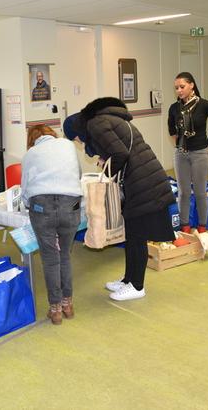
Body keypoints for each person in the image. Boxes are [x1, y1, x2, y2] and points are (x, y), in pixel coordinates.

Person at [63, 97, 175, 301]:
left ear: (77, 130)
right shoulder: (108, 118)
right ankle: (128, 280)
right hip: (142, 180)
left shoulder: (95, 123)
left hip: (143, 183)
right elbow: (121, 151)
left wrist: (108, 166)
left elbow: (120, 154)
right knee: (132, 235)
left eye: (76, 139)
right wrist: (108, 160)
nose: (79, 143)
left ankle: (137, 286)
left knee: (137, 237)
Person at [20, 124, 82, 324]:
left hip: (42, 207)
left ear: (32, 139)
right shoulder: (67, 145)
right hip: (70, 204)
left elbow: (26, 186)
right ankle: (68, 305)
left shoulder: (31, 154)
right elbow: (77, 174)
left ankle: (55, 310)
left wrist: (28, 204)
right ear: (52, 134)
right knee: (65, 255)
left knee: (50, 258)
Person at [167, 72, 208, 234]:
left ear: (191, 85)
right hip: (181, 154)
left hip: (200, 153)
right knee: (183, 192)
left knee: (199, 191)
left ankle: (202, 228)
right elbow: (171, 127)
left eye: (182, 87)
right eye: (176, 88)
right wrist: (179, 143)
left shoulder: (204, 105)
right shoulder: (174, 108)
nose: (179, 90)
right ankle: (184, 227)